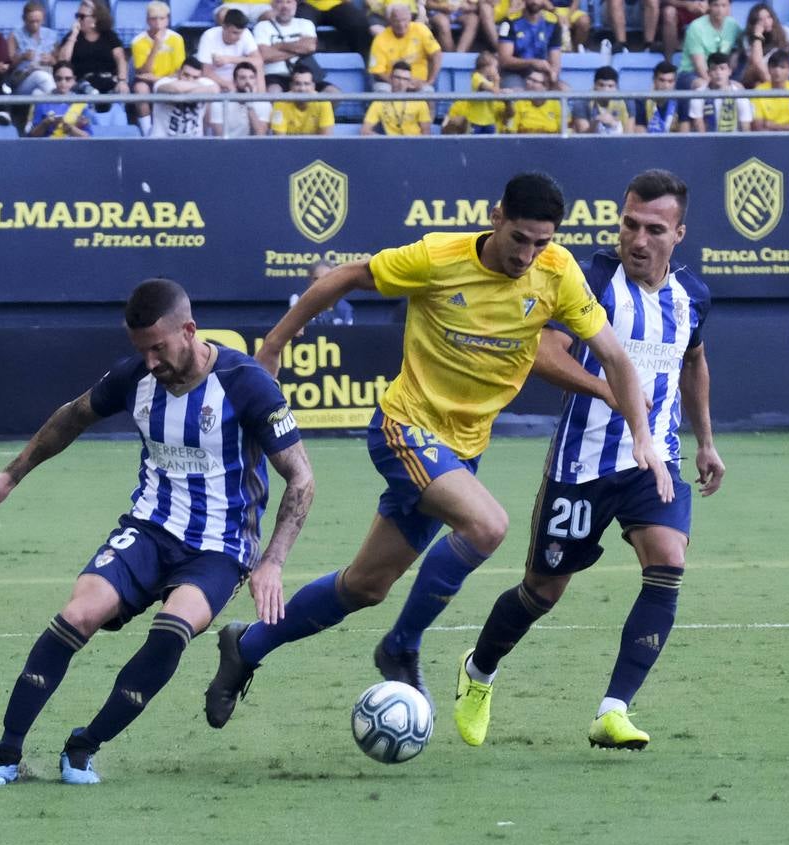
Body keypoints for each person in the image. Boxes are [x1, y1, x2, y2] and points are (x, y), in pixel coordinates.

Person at [203, 172, 673, 729]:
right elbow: (347, 277)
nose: (528, 253)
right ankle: (401, 646)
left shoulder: (557, 272)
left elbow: (615, 357)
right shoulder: (437, 257)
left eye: (541, 242)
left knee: (365, 585)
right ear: (497, 217)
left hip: (462, 449)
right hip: (405, 428)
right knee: (487, 526)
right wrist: (275, 344)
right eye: (520, 238)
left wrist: (643, 434)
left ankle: (246, 647)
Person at [0, 278, 314, 787]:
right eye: (141, 350)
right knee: (76, 614)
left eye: (159, 348)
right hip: (148, 530)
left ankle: (83, 747)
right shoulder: (136, 377)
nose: (150, 361)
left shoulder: (247, 383)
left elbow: (301, 478)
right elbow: (72, 417)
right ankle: (5, 754)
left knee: (171, 632)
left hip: (219, 548)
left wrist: (274, 562)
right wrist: (10, 475)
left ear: (189, 331)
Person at [454, 169, 724, 752]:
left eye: (655, 228)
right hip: (581, 466)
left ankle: (613, 710)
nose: (639, 239)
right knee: (541, 592)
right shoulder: (587, 279)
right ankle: (479, 672)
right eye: (630, 224)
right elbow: (543, 355)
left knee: (668, 561)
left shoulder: (692, 296)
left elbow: (693, 363)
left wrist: (704, 441)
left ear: (679, 233)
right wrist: (610, 391)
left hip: (653, 463)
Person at [131, 1, 187, 135]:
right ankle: (147, 131)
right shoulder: (138, 41)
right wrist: (156, 46)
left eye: (162, 18)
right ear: (147, 20)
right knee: (140, 88)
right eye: (154, 19)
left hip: (169, 79)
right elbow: (143, 72)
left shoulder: (177, 39)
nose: (158, 23)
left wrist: (159, 79)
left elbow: (179, 70)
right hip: (148, 82)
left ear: (167, 20)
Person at [59, 0, 129, 104]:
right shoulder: (72, 37)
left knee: (120, 91)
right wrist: (73, 35)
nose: (78, 19)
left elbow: (120, 59)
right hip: (82, 83)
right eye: (77, 15)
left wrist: (122, 81)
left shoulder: (109, 36)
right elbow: (63, 61)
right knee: (88, 92)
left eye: (82, 16)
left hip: (108, 79)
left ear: (95, 19)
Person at [739, 2, 789, 89]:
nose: (766, 22)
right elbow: (757, 63)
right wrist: (758, 36)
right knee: (757, 82)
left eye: (768, 17)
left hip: (779, 73)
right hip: (757, 77)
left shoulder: (785, 32)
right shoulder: (748, 38)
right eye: (760, 20)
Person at [368, 3, 443, 91]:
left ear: (410, 18)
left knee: (427, 90)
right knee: (383, 89)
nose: (401, 24)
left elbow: (436, 54)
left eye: (404, 20)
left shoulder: (421, 30)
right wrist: (400, 83)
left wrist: (429, 81)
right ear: (390, 21)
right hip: (391, 83)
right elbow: (377, 71)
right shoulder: (380, 39)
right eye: (396, 20)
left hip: (418, 82)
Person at [254, 0, 322, 92]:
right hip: (275, 76)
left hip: (305, 75)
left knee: (332, 93)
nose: (284, 6)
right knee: (274, 92)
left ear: (295, 5)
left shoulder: (306, 23)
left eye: (289, 2)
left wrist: (278, 46)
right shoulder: (262, 26)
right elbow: (265, 55)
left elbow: (310, 47)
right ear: (272, 5)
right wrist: (299, 50)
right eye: (279, 2)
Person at [674, 0, 740, 90]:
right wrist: (719, 85)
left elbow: (744, 43)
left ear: (729, 7)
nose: (720, 10)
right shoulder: (696, 27)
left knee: (739, 87)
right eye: (716, 5)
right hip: (692, 73)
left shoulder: (733, 25)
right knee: (702, 86)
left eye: (724, 6)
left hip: (721, 73)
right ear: (709, 6)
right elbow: (699, 66)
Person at [497, 0, 563, 89]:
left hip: (541, 74)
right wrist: (531, 63)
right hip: (514, 74)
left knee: (564, 90)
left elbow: (555, 60)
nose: (535, 1)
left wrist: (551, 75)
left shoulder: (553, 22)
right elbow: (504, 60)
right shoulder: (509, 21)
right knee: (516, 92)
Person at [151, 55, 222, 136]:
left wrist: (185, 91)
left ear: (200, 77)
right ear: (178, 72)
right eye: (186, 75)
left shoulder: (206, 82)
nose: (190, 80)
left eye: (195, 77)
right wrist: (197, 88)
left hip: (194, 143)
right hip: (162, 142)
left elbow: (215, 90)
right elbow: (176, 89)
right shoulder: (163, 82)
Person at [197, 7, 265, 92]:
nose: (239, 37)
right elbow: (206, 72)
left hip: (239, 79)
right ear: (224, 27)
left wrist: (229, 59)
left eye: (240, 33)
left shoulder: (245, 33)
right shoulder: (209, 36)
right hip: (215, 81)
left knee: (258, 67)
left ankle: (262, 101)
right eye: (235, 33)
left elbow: (258, 61)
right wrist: (227, 84)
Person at [441, 49, 504, 133]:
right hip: (475, 120)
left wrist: (504, 91)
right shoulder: (476, 77)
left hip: (489, 120)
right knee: (472, 143)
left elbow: (497, 92)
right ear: (487, 67)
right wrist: (497, 81)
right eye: (495, 67)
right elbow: (494, 91)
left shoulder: (490, 82)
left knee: (491, 143)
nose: (496, 70)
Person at [687, 51, 752, 131]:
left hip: (734, 141)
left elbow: (745, 127)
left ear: (729, 71)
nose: (718, 73)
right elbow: (699, 127)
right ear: (708, 72)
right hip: (708, 141)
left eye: (722, 68)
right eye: (714, 69)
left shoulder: (740, 95)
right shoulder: (698, 95)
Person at [362, 60, 435, 133]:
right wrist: (384, 141)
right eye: (397, 78)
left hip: (414, 143)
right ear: (391, 78)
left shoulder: (420, 102)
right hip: (391, 143)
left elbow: (426, 132)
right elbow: (365, 131)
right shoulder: (379, 102)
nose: (401, 83)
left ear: (409, 82)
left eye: (405, 79)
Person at [27, 61, 93, 136]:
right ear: (53, 79)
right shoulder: (41, 101)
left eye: (67, 79)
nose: (63, 82)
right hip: (46, 146)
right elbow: (31, 136)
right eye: (59, 79)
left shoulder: (82, 103)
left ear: (74, 80)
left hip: (73, 147)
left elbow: (88, 137)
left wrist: (70, 129)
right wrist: (45, 123)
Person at [7, 0, 58, 96]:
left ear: (43, 20)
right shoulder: (14, 35)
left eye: (38, 21)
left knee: (38, 93)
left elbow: (58, 62)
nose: (35, 25)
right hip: (22, 79)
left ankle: (48, 110)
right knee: (41, 76)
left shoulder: (51, 35)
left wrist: (51, 59)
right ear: (24, 19)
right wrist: (22, 57)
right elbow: (9, 65)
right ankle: (59, 103)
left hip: (47, 73)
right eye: (31, 22)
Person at [751, 49, 789, 131]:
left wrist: (774, 126)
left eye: (782, 67)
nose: (777, 71)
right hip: (767, 140)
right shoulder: (758, 92)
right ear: (768, 69)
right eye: (774, 67)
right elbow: (758, 128)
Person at [209, 60, 272, 135]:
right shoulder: (219, 103)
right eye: (243, 78)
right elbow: (219, 136)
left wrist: (250, 106)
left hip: (252, 145)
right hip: (228, 145)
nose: (248, 82)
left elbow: (260, 134)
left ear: (256, 81)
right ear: (235, 82)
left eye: (251, 78)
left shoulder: (264, 103)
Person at [269, 66, 336, 133]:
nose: (302, 89)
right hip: (288, 143)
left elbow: (326, 139)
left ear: (313, 86)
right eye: (297, 84)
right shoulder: (279, 103)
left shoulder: (324, 103)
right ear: (291, 86)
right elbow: (279, 140)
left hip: (314, 143)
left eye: (307, 84)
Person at [291, 261, 355, 324]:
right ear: (310, 280)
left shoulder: (345, 309)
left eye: (326, 279)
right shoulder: (297, 300)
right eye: (316, 279)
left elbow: (347, 333)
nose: (320, 283)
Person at [632, 61, 686, 132]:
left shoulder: (681, 102)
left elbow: (684, 136)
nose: (666, 86)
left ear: (675, 82)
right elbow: (641, 135)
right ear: (654, 80)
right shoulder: (641, 102)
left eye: (670, 81)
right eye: (662, 80)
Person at [509, 68, 564, 132]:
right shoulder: (519, 103)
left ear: (545, 87)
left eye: (534, 81)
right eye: (528, 79)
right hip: (525, 141)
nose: (528, 82)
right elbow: (512, 130)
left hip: (551, 141)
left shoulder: (555, 104)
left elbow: (563, 130)